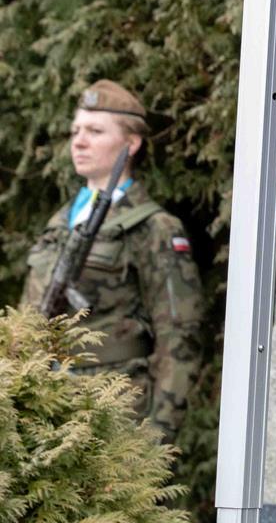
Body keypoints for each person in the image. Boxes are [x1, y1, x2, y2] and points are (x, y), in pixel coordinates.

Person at [22, 80, 204, 444]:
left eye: (95, 131)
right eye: (75, 130)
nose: (79, 141)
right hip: (44, 407)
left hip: (114, 412)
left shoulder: (154, 227)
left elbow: (179, 337)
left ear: (130, 143)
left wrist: (156, 437)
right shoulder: (59, 224)